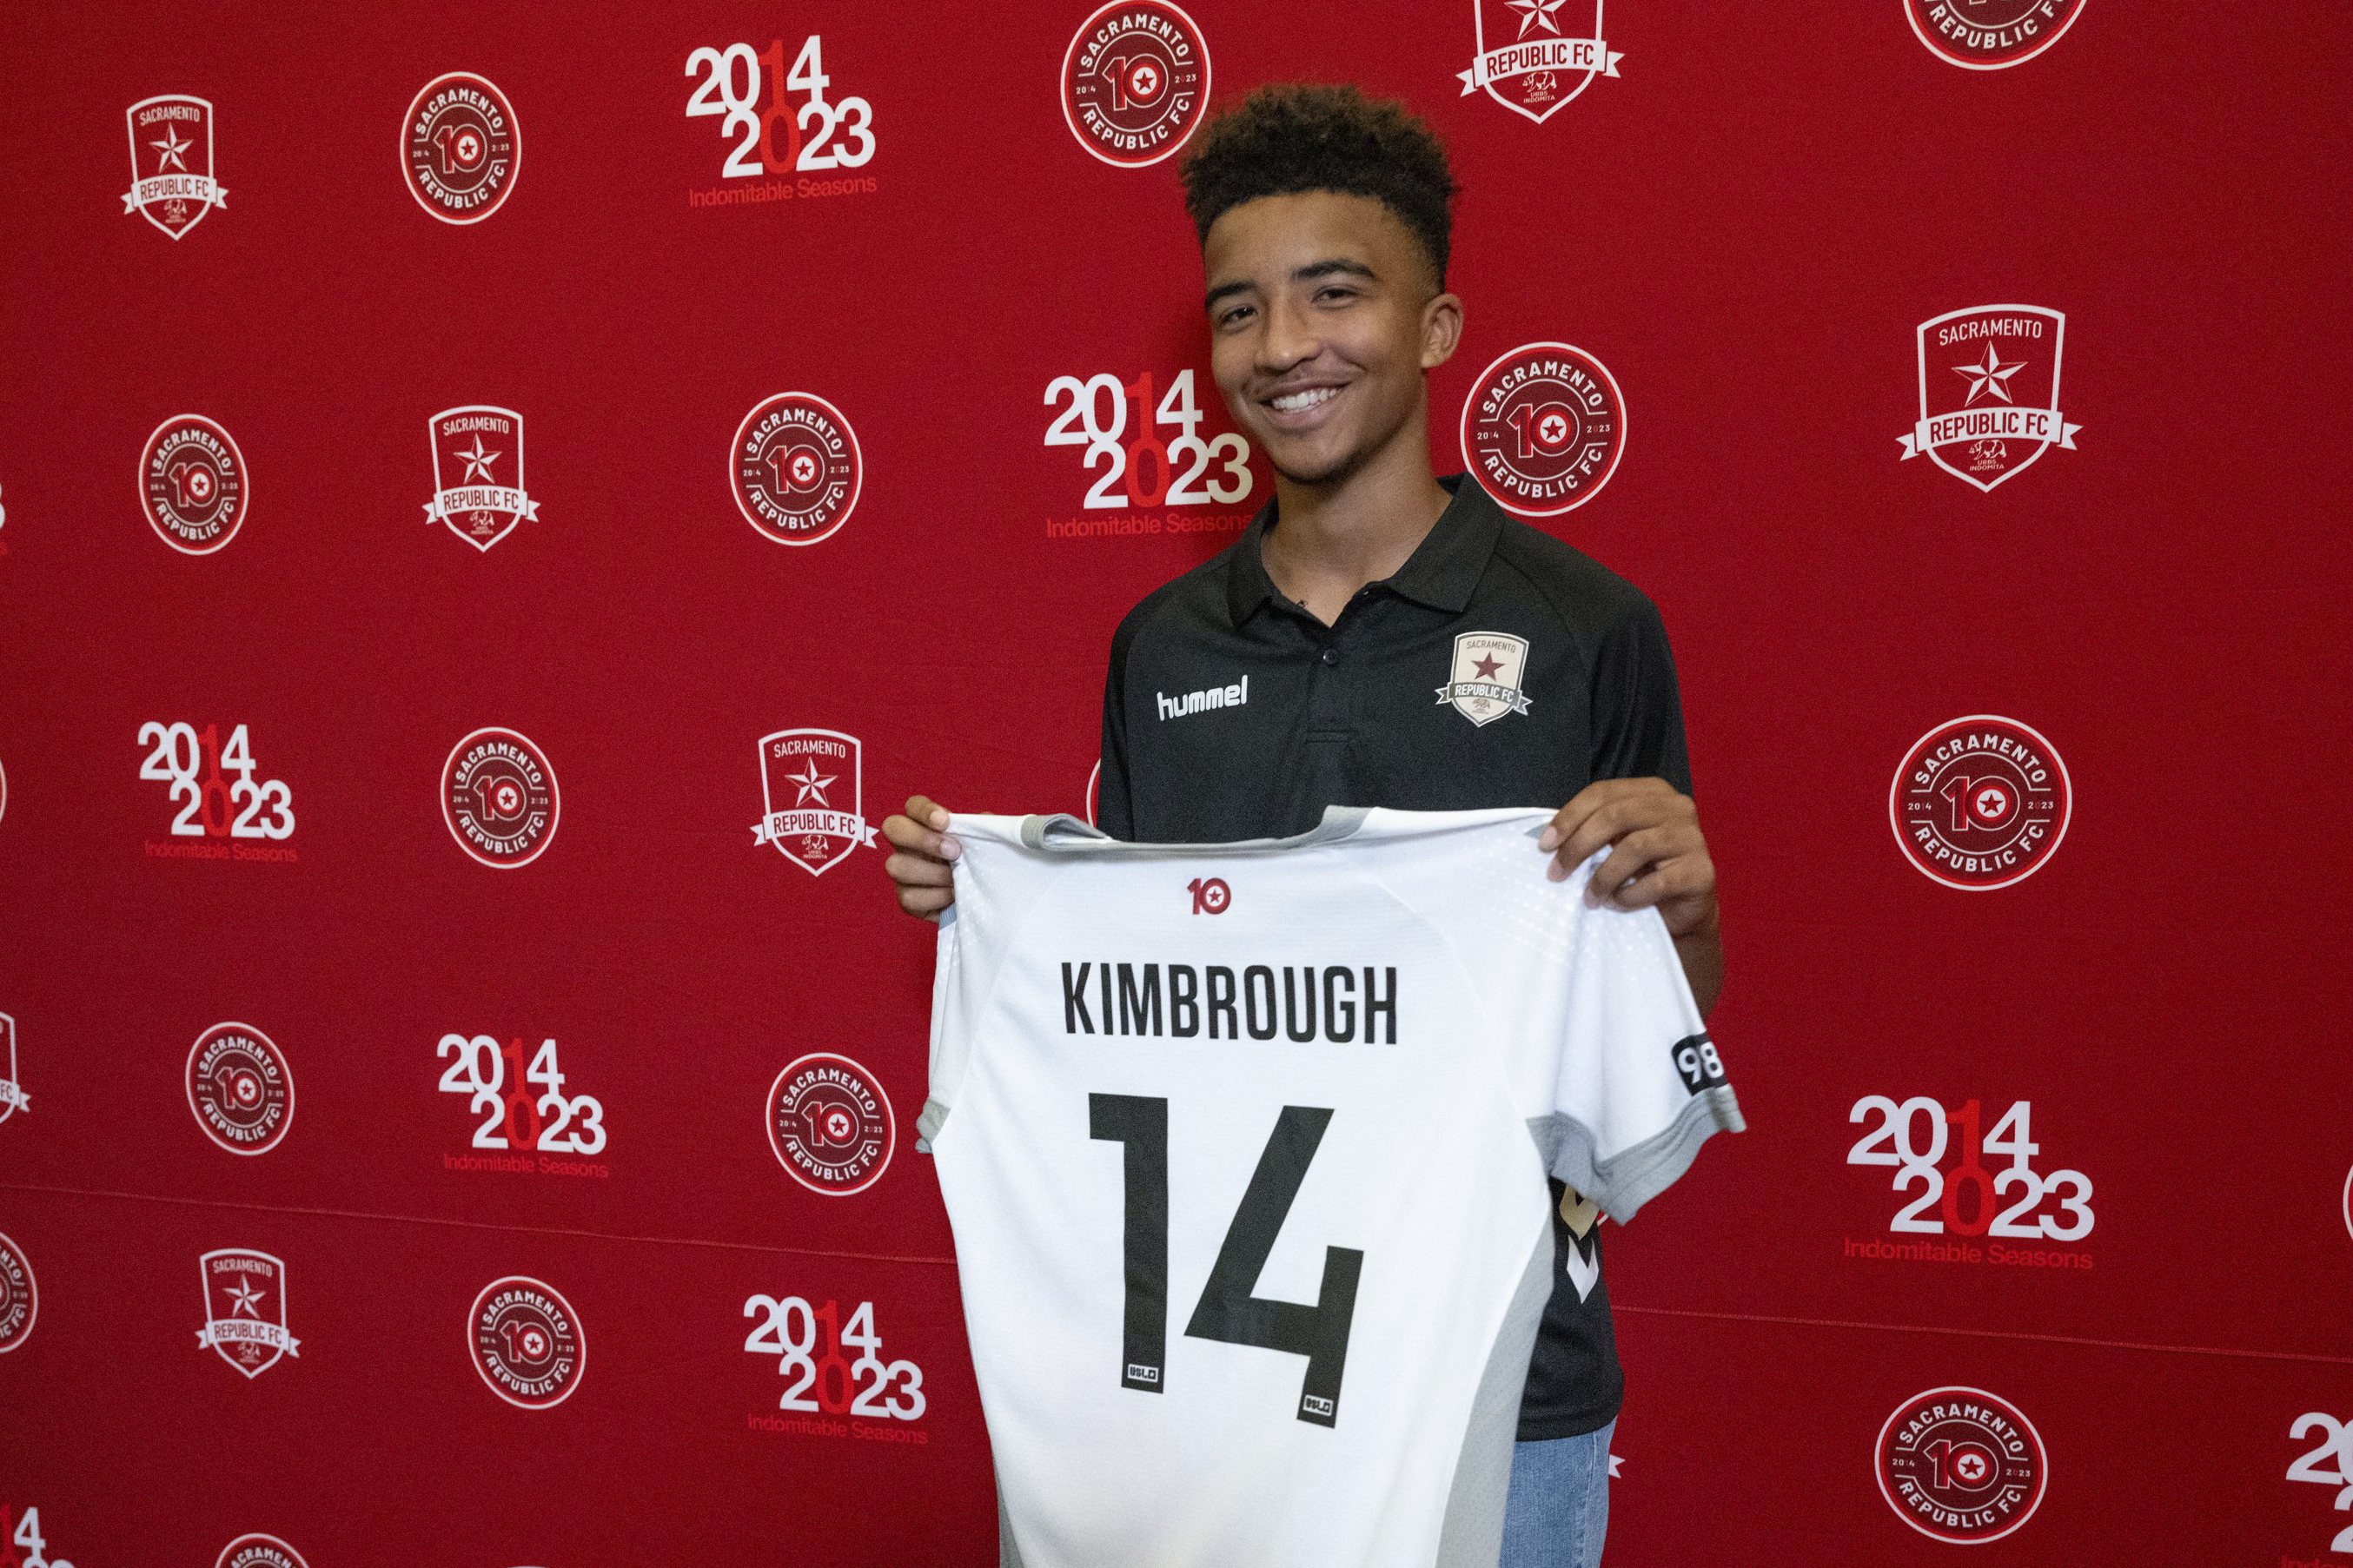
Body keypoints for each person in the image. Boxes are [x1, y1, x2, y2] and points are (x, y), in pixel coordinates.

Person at [884, 83, 1722, 1568]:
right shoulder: (1164, 645)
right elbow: (1144, 1009)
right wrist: (1000, 910)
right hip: (1198, 1394)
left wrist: (1688, 913)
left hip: (1495, 1385)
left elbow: (1647, 1039)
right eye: (1238, 312)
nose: (1281, 348)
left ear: (1439, 324)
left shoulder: (1589, 629)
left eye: (1334, 295)